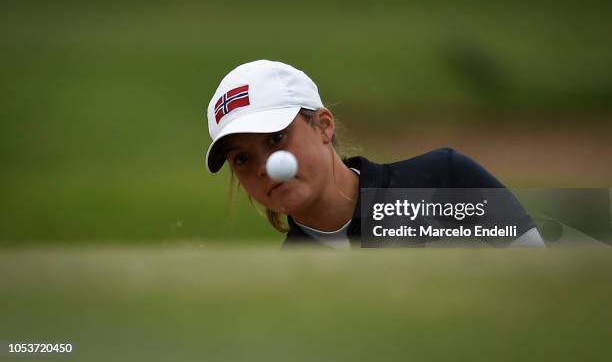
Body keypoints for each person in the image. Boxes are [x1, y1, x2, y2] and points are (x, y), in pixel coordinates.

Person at [205, 60, 545, 249]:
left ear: (324, 126)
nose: (264, 167)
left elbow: (545, 285)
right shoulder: (288, 278)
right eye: (242, 159)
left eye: (277, 137)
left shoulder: (444, 180)